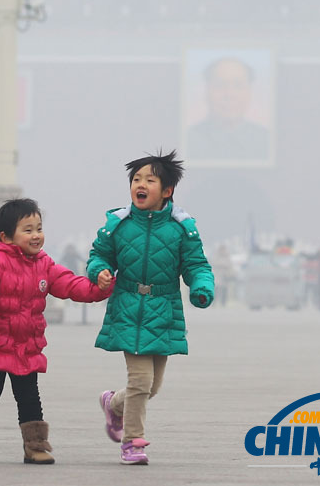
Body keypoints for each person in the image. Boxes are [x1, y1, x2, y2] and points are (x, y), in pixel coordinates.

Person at [0, 198, 112, 465]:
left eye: (39, 228)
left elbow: (68, 284)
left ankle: (35, 446)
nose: (36, 235)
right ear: (6, 237)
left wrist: (98, 288)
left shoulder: (43, 264)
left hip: (26, 346)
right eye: (28, 230)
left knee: (29, 396)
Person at [87, 150, 215, 465]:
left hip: (164, 310)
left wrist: (201, 287)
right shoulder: (118, 225)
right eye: (136, 179)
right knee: (140, 381)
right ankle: (132, 443)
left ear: (167, 191)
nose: (140, 185)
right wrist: (99, 271)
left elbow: (197, 265)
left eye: (149, 180)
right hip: (128, 308)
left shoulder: (182, 228)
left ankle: (113, 404)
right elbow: (99, 255)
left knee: (151, 386)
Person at [187, 57, 270, 163]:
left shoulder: (267, 140)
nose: (230, 94)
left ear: (249, 92)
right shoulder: (188, 140)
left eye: (238, 86)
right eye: (220, 85)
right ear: (206, 91)